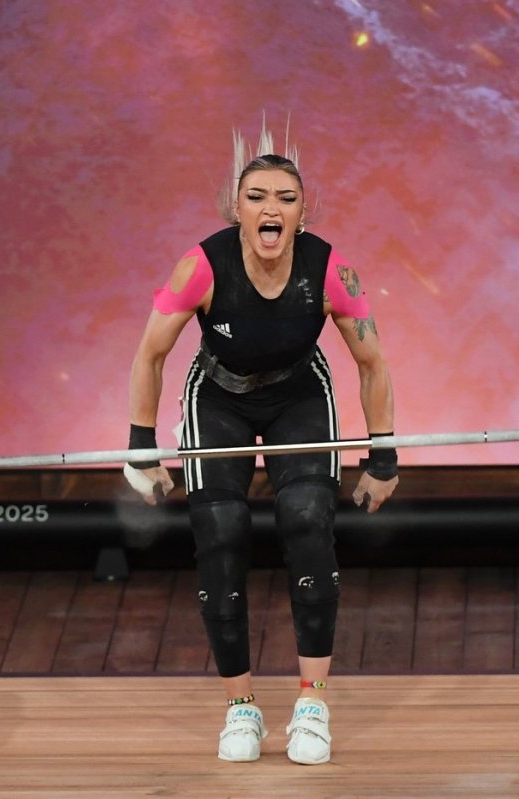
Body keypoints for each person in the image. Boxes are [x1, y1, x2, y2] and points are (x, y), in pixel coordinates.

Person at [124, 120, 398, 765]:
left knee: (307, 519)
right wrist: (141, 447)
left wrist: (383, 456)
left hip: (299, 393)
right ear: (237, 209)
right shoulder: (200, 266)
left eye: (285, 198)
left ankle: (313, 704)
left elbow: (372, 364)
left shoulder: (332, 271)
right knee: (220, 532)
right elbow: (150, 354)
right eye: (256, 197)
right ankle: (240, 708)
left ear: (301, 213)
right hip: (216, 394)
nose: (270, 209)